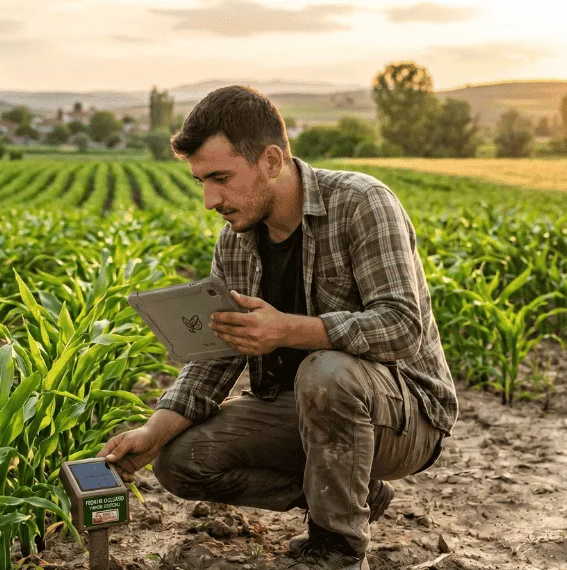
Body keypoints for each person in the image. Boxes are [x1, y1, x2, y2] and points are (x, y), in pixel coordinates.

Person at [97, 86, 457, 570]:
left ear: (271, 159)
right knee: (180, 461)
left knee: (325, 370)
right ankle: (354, 495)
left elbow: (401, 325)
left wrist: (288, 330)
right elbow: (219, 355)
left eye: (220, 178)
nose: (209, 200)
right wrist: (152, 431)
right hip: (311, 411)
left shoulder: (363, 203)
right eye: (202, 181)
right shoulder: (236, 242)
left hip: (406, 416)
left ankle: (337, 548)